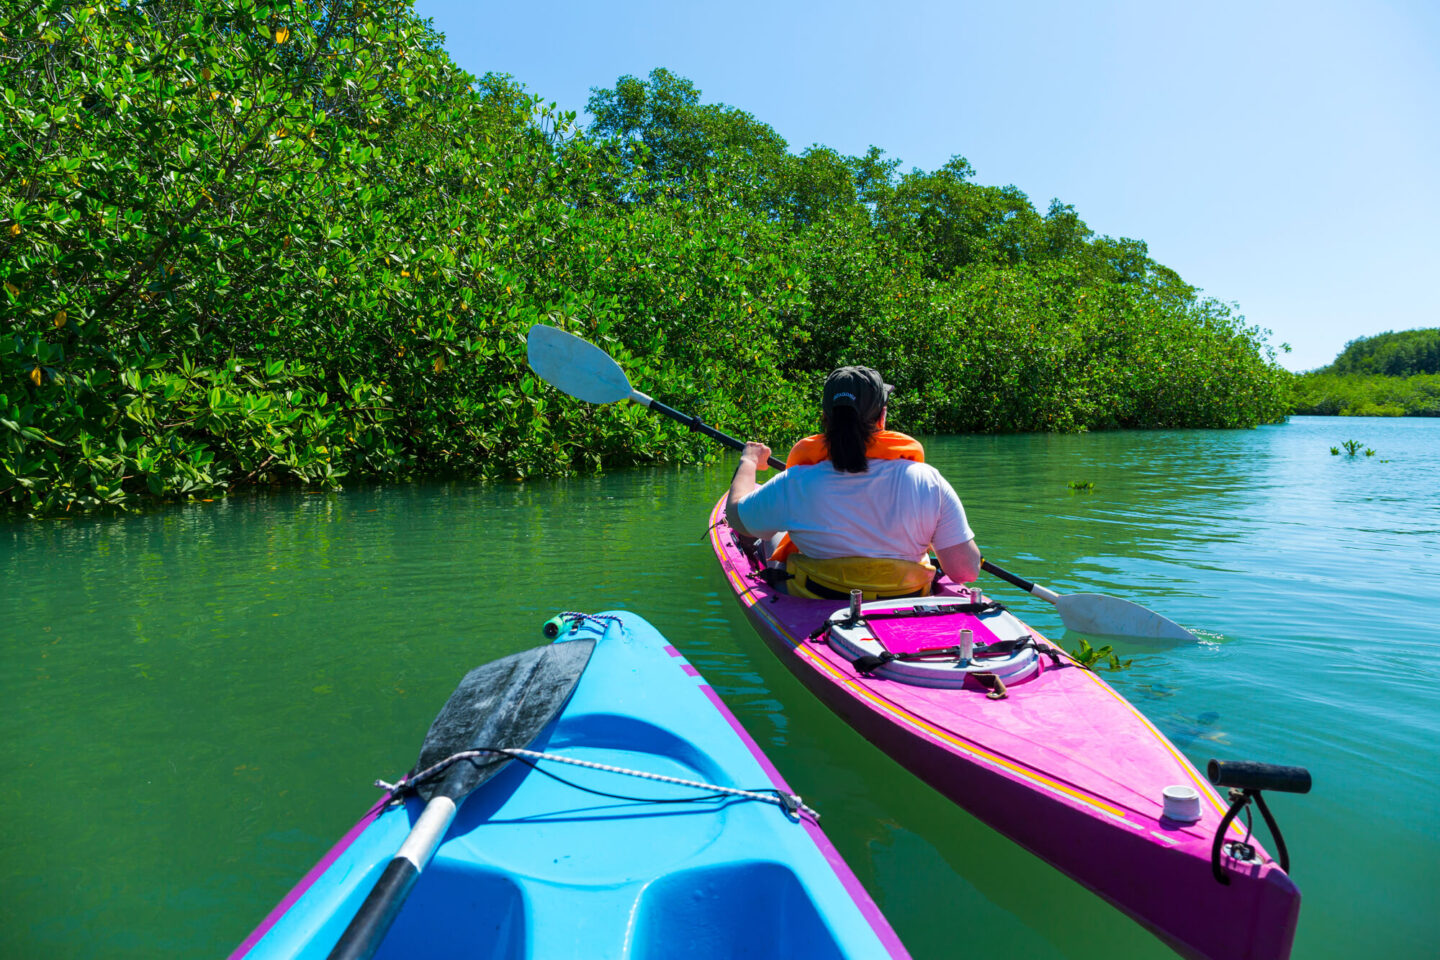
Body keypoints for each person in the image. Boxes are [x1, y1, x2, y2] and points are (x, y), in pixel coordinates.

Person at [725, 366, 982, 599]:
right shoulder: (929, 480)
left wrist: (749, 461)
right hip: (906, 595)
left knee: (776, 535)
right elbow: (965, 572)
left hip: (819, 594)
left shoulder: (797, 481)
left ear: (825, 418)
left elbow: (737, 519)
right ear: (882, 417)